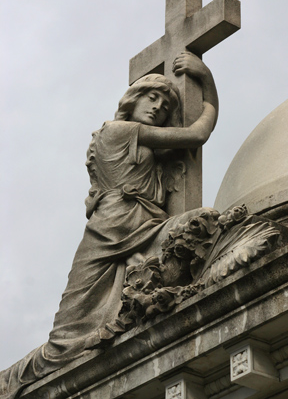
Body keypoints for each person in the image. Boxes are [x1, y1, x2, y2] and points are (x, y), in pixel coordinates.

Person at [0, 51, 218, 399]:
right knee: (64, 341)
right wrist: (205, 79)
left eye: (164, 107)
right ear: (133, 99)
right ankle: (11, 381)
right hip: (111, 229)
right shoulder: (120, 131)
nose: (157, 108)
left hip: (143, 228)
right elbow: (195, 134)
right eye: (152, 98)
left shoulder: (142, 141)